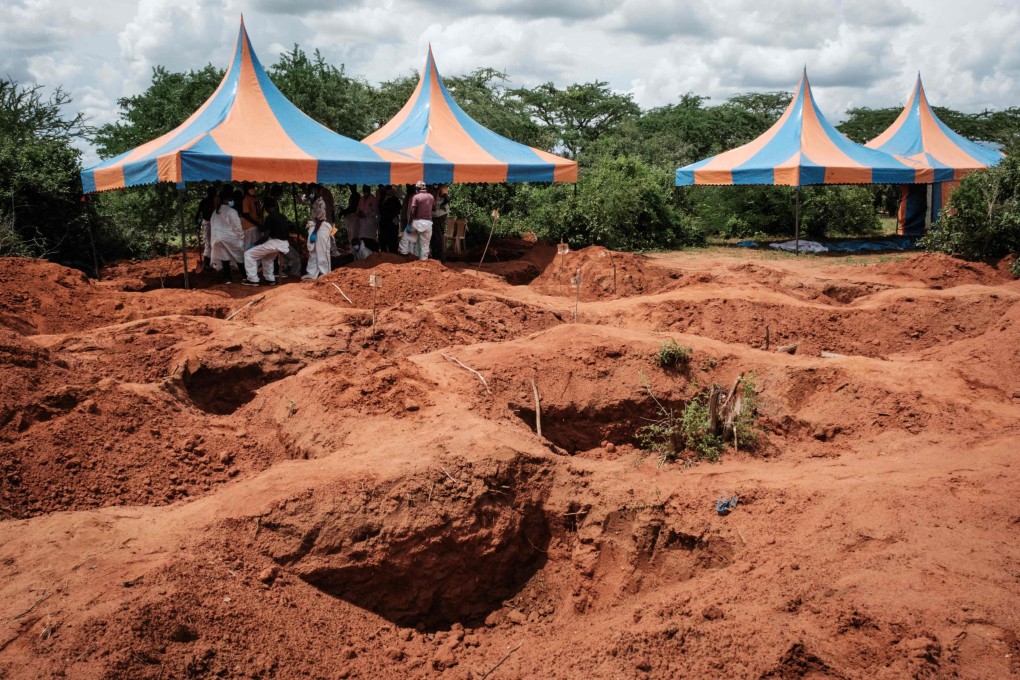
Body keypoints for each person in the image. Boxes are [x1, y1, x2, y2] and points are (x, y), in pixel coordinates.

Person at [242, 197, 291, 286]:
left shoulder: (269, 217)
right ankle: (270, 279)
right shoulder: (282, 216)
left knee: (248, 254)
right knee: (267, 258)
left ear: (265, 207)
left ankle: (253, 280)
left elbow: (265, 237)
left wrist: (254, 244)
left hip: (274, 243)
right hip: (284, 243)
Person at [209, 185, 244, 283]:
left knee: (224, 257)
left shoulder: (215, 212)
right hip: (230, 237)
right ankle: (245, 276)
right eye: (231, 199)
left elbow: (213, 225)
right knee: (239, 256)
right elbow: (237, 226)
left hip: (217, 239)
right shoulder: (231, 211)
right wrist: (241, 236)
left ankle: (228, 278)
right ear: (227, 200)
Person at [400, 181, 435, 261]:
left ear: (417, 188)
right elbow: (434, 208)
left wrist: (409, 224)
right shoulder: (431, 197)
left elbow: (412, 212)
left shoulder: (416, 197)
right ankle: (423, 260)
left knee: (406, 235)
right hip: (428, 223)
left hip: (418, 222)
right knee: (425, 243)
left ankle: (404, 252)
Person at [303, 203, 333, 280]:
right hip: (315, 227)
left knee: (322, 252)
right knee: (313, 252)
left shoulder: (320, 202)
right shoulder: (313, 201)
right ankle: (312, 274)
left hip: (321, 228)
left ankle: (325, 274)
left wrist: (315, 232)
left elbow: (320, 219)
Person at [195, 186, 218, 271]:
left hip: (212, 223)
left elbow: (197, 214)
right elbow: (198, 214)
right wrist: (197, 223)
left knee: (210, 243)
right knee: (210, 243)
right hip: (209, 223)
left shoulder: (205, 201)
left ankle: (211, 263)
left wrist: (197, 222)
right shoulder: (209, 201)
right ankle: (208, 264)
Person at [378, 185, 402, 253]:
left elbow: (399, 208)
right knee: (384, 241)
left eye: (390, 190)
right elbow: (380, 209)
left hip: (393, 223)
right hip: (384, 223)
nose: (389, 191)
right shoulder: (382, 199)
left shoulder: (395, 199)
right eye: (387, 190)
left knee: (393, 240)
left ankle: (394, 254)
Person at [430, 184, 450, 263]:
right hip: (436, 215)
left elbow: (447, 198)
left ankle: (440, 258)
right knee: (435, 236)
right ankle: (436, 256)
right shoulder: (438, 189)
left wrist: (442, 205)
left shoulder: (442, 188)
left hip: (439, 215)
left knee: (438, 236)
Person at [356, 184, 378, 251]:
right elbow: (358, 209)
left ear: (369, 190)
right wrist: (359, 213)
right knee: (363, 239)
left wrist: (366, 215)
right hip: (362, 222)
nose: (364, 191)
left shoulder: (373, 199)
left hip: (370, 222)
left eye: (366, 189)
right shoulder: (361, 198)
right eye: (363, 189)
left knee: (370, 239)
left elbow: (375, 211)